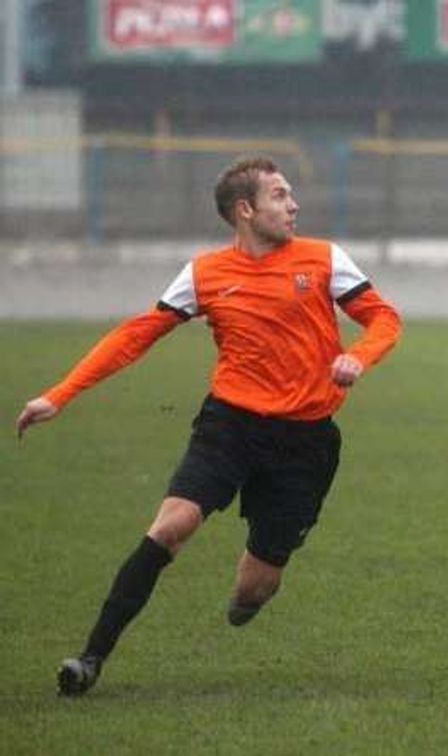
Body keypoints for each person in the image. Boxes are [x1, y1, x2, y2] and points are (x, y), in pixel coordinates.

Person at [16, 157, 403, 696]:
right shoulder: (204, 274)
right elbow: (136, 335)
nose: (293, 205)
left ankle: (249, 595)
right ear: (245, 210)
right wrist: (59, 395)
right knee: (170, 527)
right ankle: (90, 658)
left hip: (305, 441)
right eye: (280, 195)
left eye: (291, 195)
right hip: (230, 425)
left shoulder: (323, 259)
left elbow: (385, 318)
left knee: (256, 587)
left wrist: (359, 357)